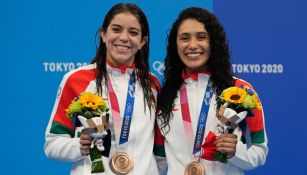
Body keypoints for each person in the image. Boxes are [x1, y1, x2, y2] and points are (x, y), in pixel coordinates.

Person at [44, 3, 160, 175]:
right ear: (104, 35)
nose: (124, 38)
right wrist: (79, 145)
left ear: (142, 41)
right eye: (116, 29)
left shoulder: (152, 84)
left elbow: (159, 151)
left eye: (133, 32)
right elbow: (52, 144)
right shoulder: (76, 80)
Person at [154, 7, 268, 175]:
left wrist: (235, 153)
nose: (192, 45)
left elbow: (259, 151)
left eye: (201, 37)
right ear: (175, 45)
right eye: (184, 38)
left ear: (213, 41)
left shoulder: (241, 91)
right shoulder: (165, 96)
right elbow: (159, 161)